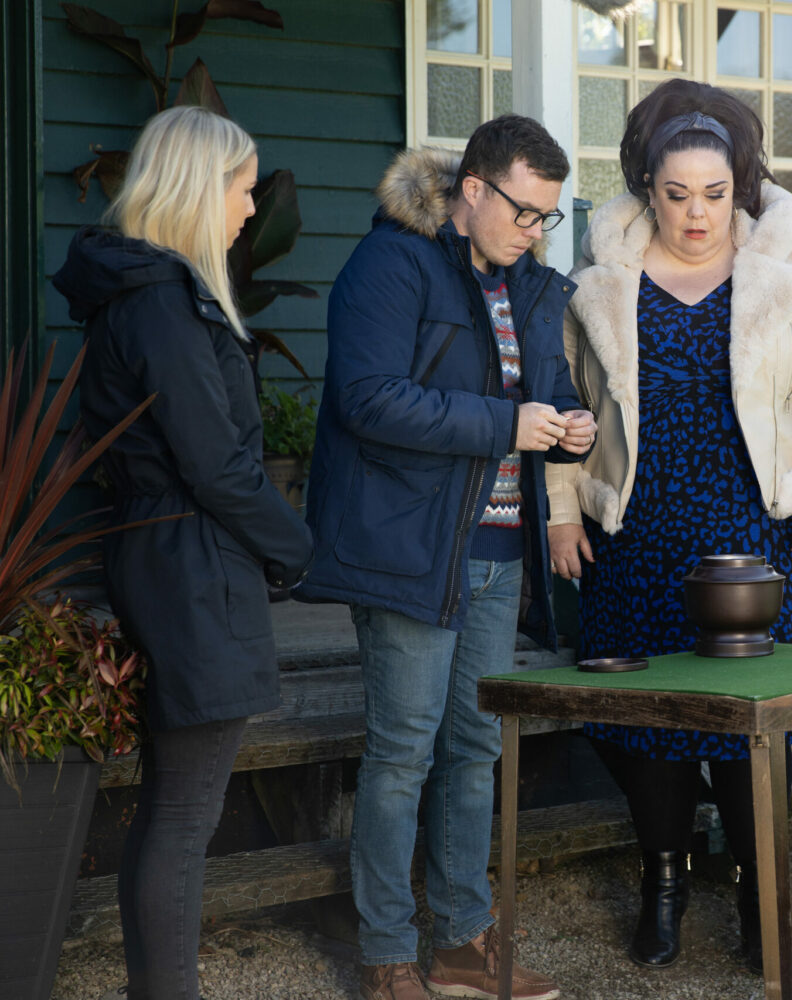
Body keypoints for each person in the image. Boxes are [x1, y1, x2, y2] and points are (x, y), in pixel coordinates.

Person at [546, 79, 792, 971]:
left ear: (741, 189)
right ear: (648, 189)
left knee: (749, 722)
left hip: (751, 539)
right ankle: (665, 884)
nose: (697, 214)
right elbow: (570, 406)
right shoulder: (599, 285)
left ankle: (763, 898)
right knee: (648, 722)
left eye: (715, 195)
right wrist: (566, 515)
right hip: (635, 536)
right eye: (677, 195)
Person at [298, 115, 595, 1000]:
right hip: (412, 550)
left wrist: (572, 427)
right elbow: (369, 400)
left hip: (503, 553)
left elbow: (551, 394)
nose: (535, 231)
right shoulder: (390, 265)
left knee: (474, 750)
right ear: (472, 191)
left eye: (548, 216)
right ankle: (387, 953)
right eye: (524, 211)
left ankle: (464, 938)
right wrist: (508, 424)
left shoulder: (533, 286)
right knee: (402, 753)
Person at [51, 105, 315, 1000]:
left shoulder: (146, 293)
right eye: (243, 188)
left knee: (177, 805)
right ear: (201, 188)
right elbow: (217, 464)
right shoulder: (163, 301)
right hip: (192, 571)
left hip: (173, 560)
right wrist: (301, 551)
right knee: (185, 810)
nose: (249, 209)